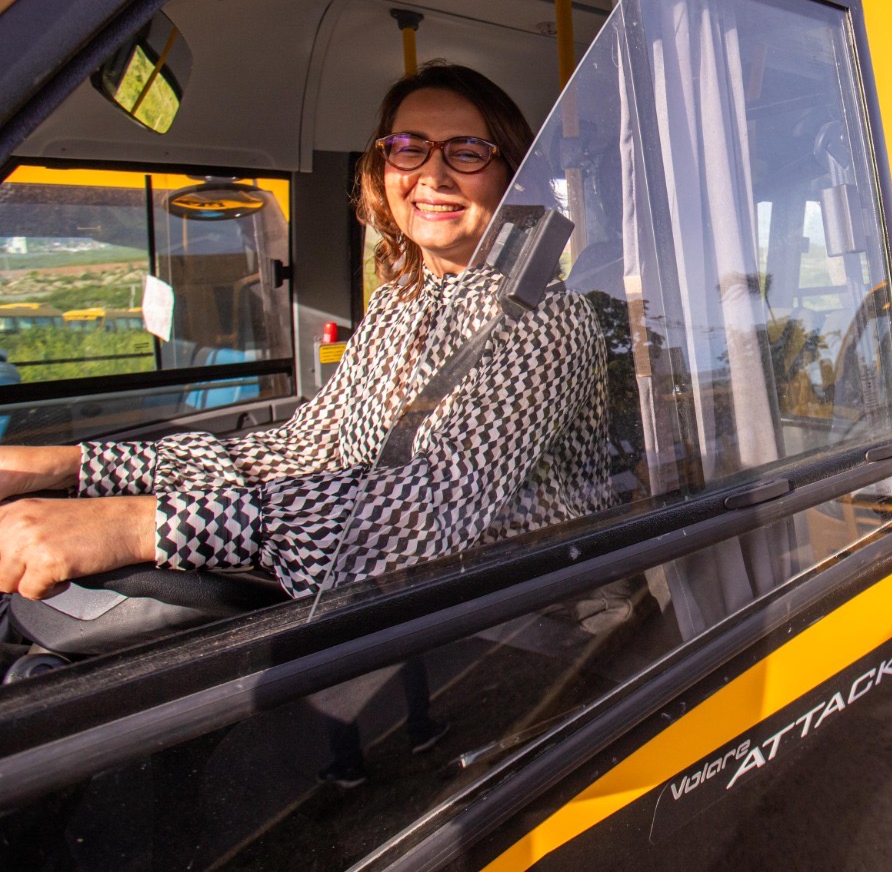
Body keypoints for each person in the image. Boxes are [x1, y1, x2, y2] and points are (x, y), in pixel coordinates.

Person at [0, 62, 612, 602]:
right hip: (399, 598)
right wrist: (75, 465)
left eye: (468, 151)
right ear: (384, 166)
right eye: (409, 148)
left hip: (522, 613)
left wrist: (144, 524)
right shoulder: (400, 304)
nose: (433, 176)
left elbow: (430, 512)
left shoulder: (547, 320)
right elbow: (299, 451)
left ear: (512, 176)